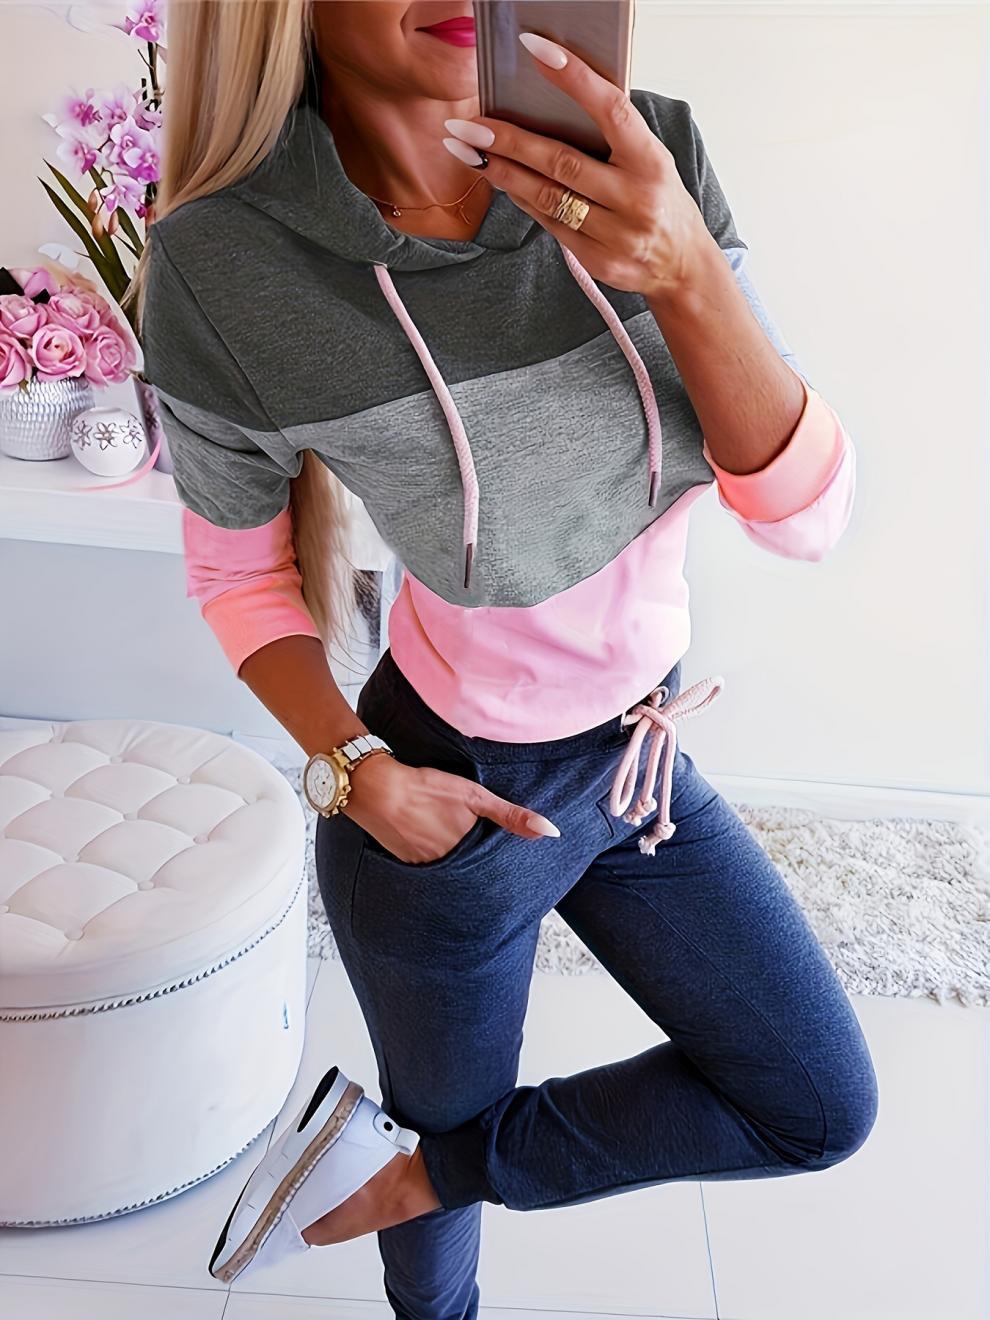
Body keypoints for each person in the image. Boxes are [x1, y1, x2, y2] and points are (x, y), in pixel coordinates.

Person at [134, 3, 878, 1315]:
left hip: (637, 764)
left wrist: (686, 270)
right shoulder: (220, 263)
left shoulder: (641, 153)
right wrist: (358, 774)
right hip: (447, 797)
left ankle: (411, 1170)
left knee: (813, 1102)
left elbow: (803, 521)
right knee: (442, 1237)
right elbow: (236, 575)